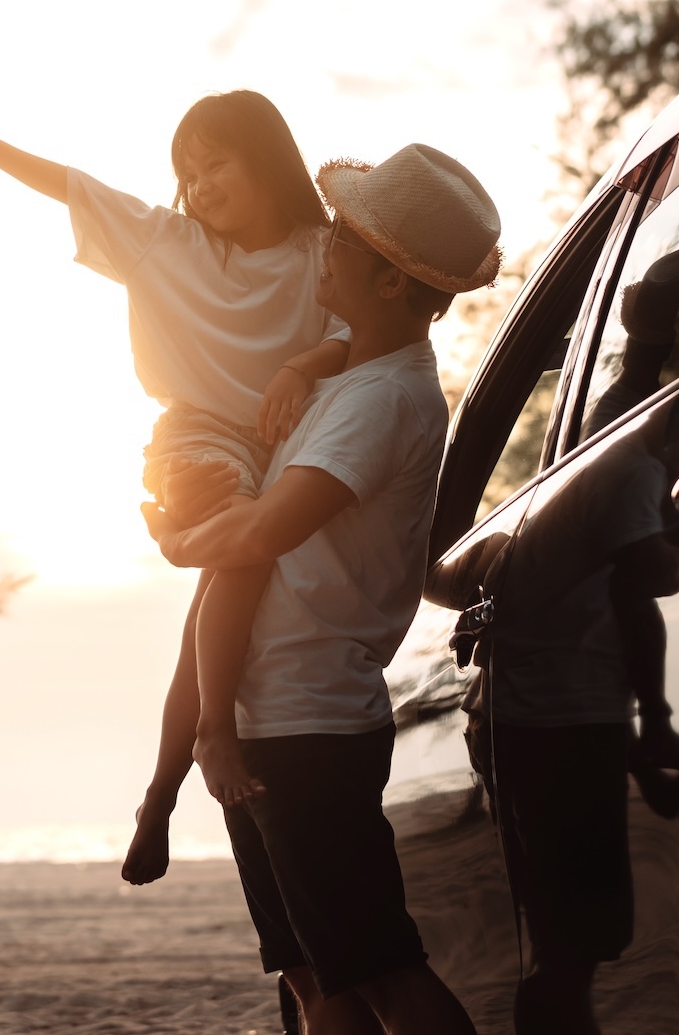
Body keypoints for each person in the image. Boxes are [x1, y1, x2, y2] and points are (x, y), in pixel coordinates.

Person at [0, 66, 350, 877]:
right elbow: (73, 186)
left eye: (216, 164)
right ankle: (212, 735)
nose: (199, 184)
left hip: (281, 444)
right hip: (195, 434)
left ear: (269, 161)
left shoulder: (321, 252)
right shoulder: (174, 242)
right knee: (241, 547)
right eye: (187, 171)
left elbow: (352, 332)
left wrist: (304, 365)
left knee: (218, 600)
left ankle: (160, 794)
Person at [146, 143, 500, 1035]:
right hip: (281, 722)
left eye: (345, 238)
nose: (325, 247)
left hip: (309, 728)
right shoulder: (360, 370)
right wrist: (305, 361)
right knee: (322, 979)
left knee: (384, 973)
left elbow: (267, 530)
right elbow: (351, 347)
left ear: (390, 285)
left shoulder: (383, 401)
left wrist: (178, 538)